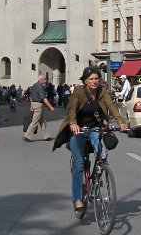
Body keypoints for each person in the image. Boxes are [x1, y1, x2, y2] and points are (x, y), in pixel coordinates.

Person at [53, 66, 127, 218]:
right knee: (79, 163)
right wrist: (73, 123)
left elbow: (112, 106)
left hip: (95, 128)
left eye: (96, 79)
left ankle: (99, 174)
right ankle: (78, 199)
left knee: (103, 154)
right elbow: (71, 108)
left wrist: (121, 121)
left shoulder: (102, 91)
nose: (94, 82)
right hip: (78, 129)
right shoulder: (79, 91)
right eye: (91, 79)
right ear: (85, 81)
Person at [23, 73, 55, 141]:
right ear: (41, 80)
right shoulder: (39, 87)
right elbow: (43, 98)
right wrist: (50, 106)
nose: (45, 81)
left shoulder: (34, 85)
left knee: (42, 121)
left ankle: (47, 136)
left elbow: (31, 96)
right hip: (38, 104)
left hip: (35, 104)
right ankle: (27, 136)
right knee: (35, 121)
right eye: (44, 79)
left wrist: (31, 105)